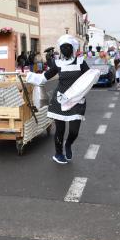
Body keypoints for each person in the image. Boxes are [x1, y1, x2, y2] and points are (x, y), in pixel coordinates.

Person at [25, 35, 98, 164]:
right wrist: (28, 75)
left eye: (67, 47)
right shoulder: (57, 63)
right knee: (60, 130)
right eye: (62, 47)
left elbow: (88, 77)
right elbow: (44, 78)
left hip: (76, 100)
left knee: (74, 131)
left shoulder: (81, 62)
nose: (65, 49)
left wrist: (96, 74)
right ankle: (58, 154)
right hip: (60, 100)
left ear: (73, 48)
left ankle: (68, 144)